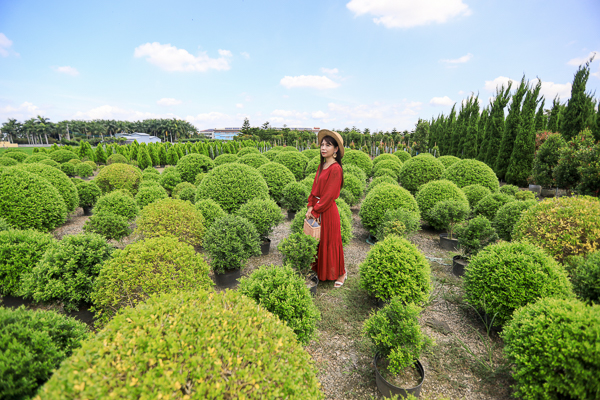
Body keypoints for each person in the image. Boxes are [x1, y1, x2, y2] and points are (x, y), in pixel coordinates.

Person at [305, 129, 346, 287]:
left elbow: (330, 195)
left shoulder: (336, 169)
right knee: (319, 242)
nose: (323, 148)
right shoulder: (322, 165)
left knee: (331, 241)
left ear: (336, 149)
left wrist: (315, 210)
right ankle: (321, 271)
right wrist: (310, 205)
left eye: (328, 145)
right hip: (317, 207)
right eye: (322, 144)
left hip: (328, 211)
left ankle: (341, 273)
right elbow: (315, 187)